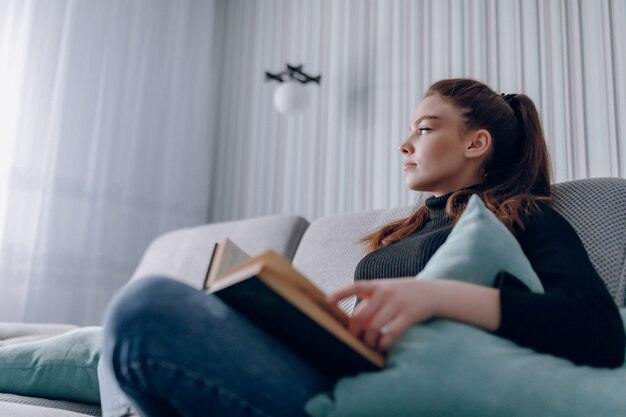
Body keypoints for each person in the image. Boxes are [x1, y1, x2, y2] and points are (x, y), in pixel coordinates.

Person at [101, 78, 625, 417]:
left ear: (475, 142)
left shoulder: (521, 214)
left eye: (423, 128)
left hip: (381, 395)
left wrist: (434, 298)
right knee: (149, 316)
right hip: (337, 371)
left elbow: (597, 330)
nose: (405, 144)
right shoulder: (401, 232)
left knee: (147, 309)